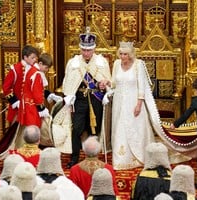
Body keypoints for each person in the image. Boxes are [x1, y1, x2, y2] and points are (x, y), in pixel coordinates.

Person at [62, 27, 112, 168]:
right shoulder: (73, 63)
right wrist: (69, 98)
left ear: (94, 49)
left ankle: (93, 156)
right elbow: (68, 82)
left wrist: (105, 85)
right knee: (76, 129)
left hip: (96, 98)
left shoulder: (102, 62)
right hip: (79, 99)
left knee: (93, 129)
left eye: (89, 50)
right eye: (83, 50)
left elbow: (109, 81)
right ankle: (74, 157)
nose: (86, 53)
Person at [106, 41, 155, 170]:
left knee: (135, 127)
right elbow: (114, 83)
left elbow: (142, 86)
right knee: (120, 127)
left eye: (125, 54)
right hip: (119, 102)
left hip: (134, 102)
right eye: (121, 54)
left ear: (131, 54)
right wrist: (107, 83)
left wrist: (139, 103)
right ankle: (121, 159)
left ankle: (138, 156)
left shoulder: (138, 65)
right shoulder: (116, 64)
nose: (122, 57)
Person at [3, 45, 47, 126]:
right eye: (32, 58)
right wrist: (16, 102)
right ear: (25, 57)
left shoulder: (34, 69)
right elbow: (6, 88)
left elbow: (37, 89)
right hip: (17, 108)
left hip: (30, 109)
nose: (35, 60)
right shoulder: (15, 69)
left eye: (35, 58)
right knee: (16, 134)